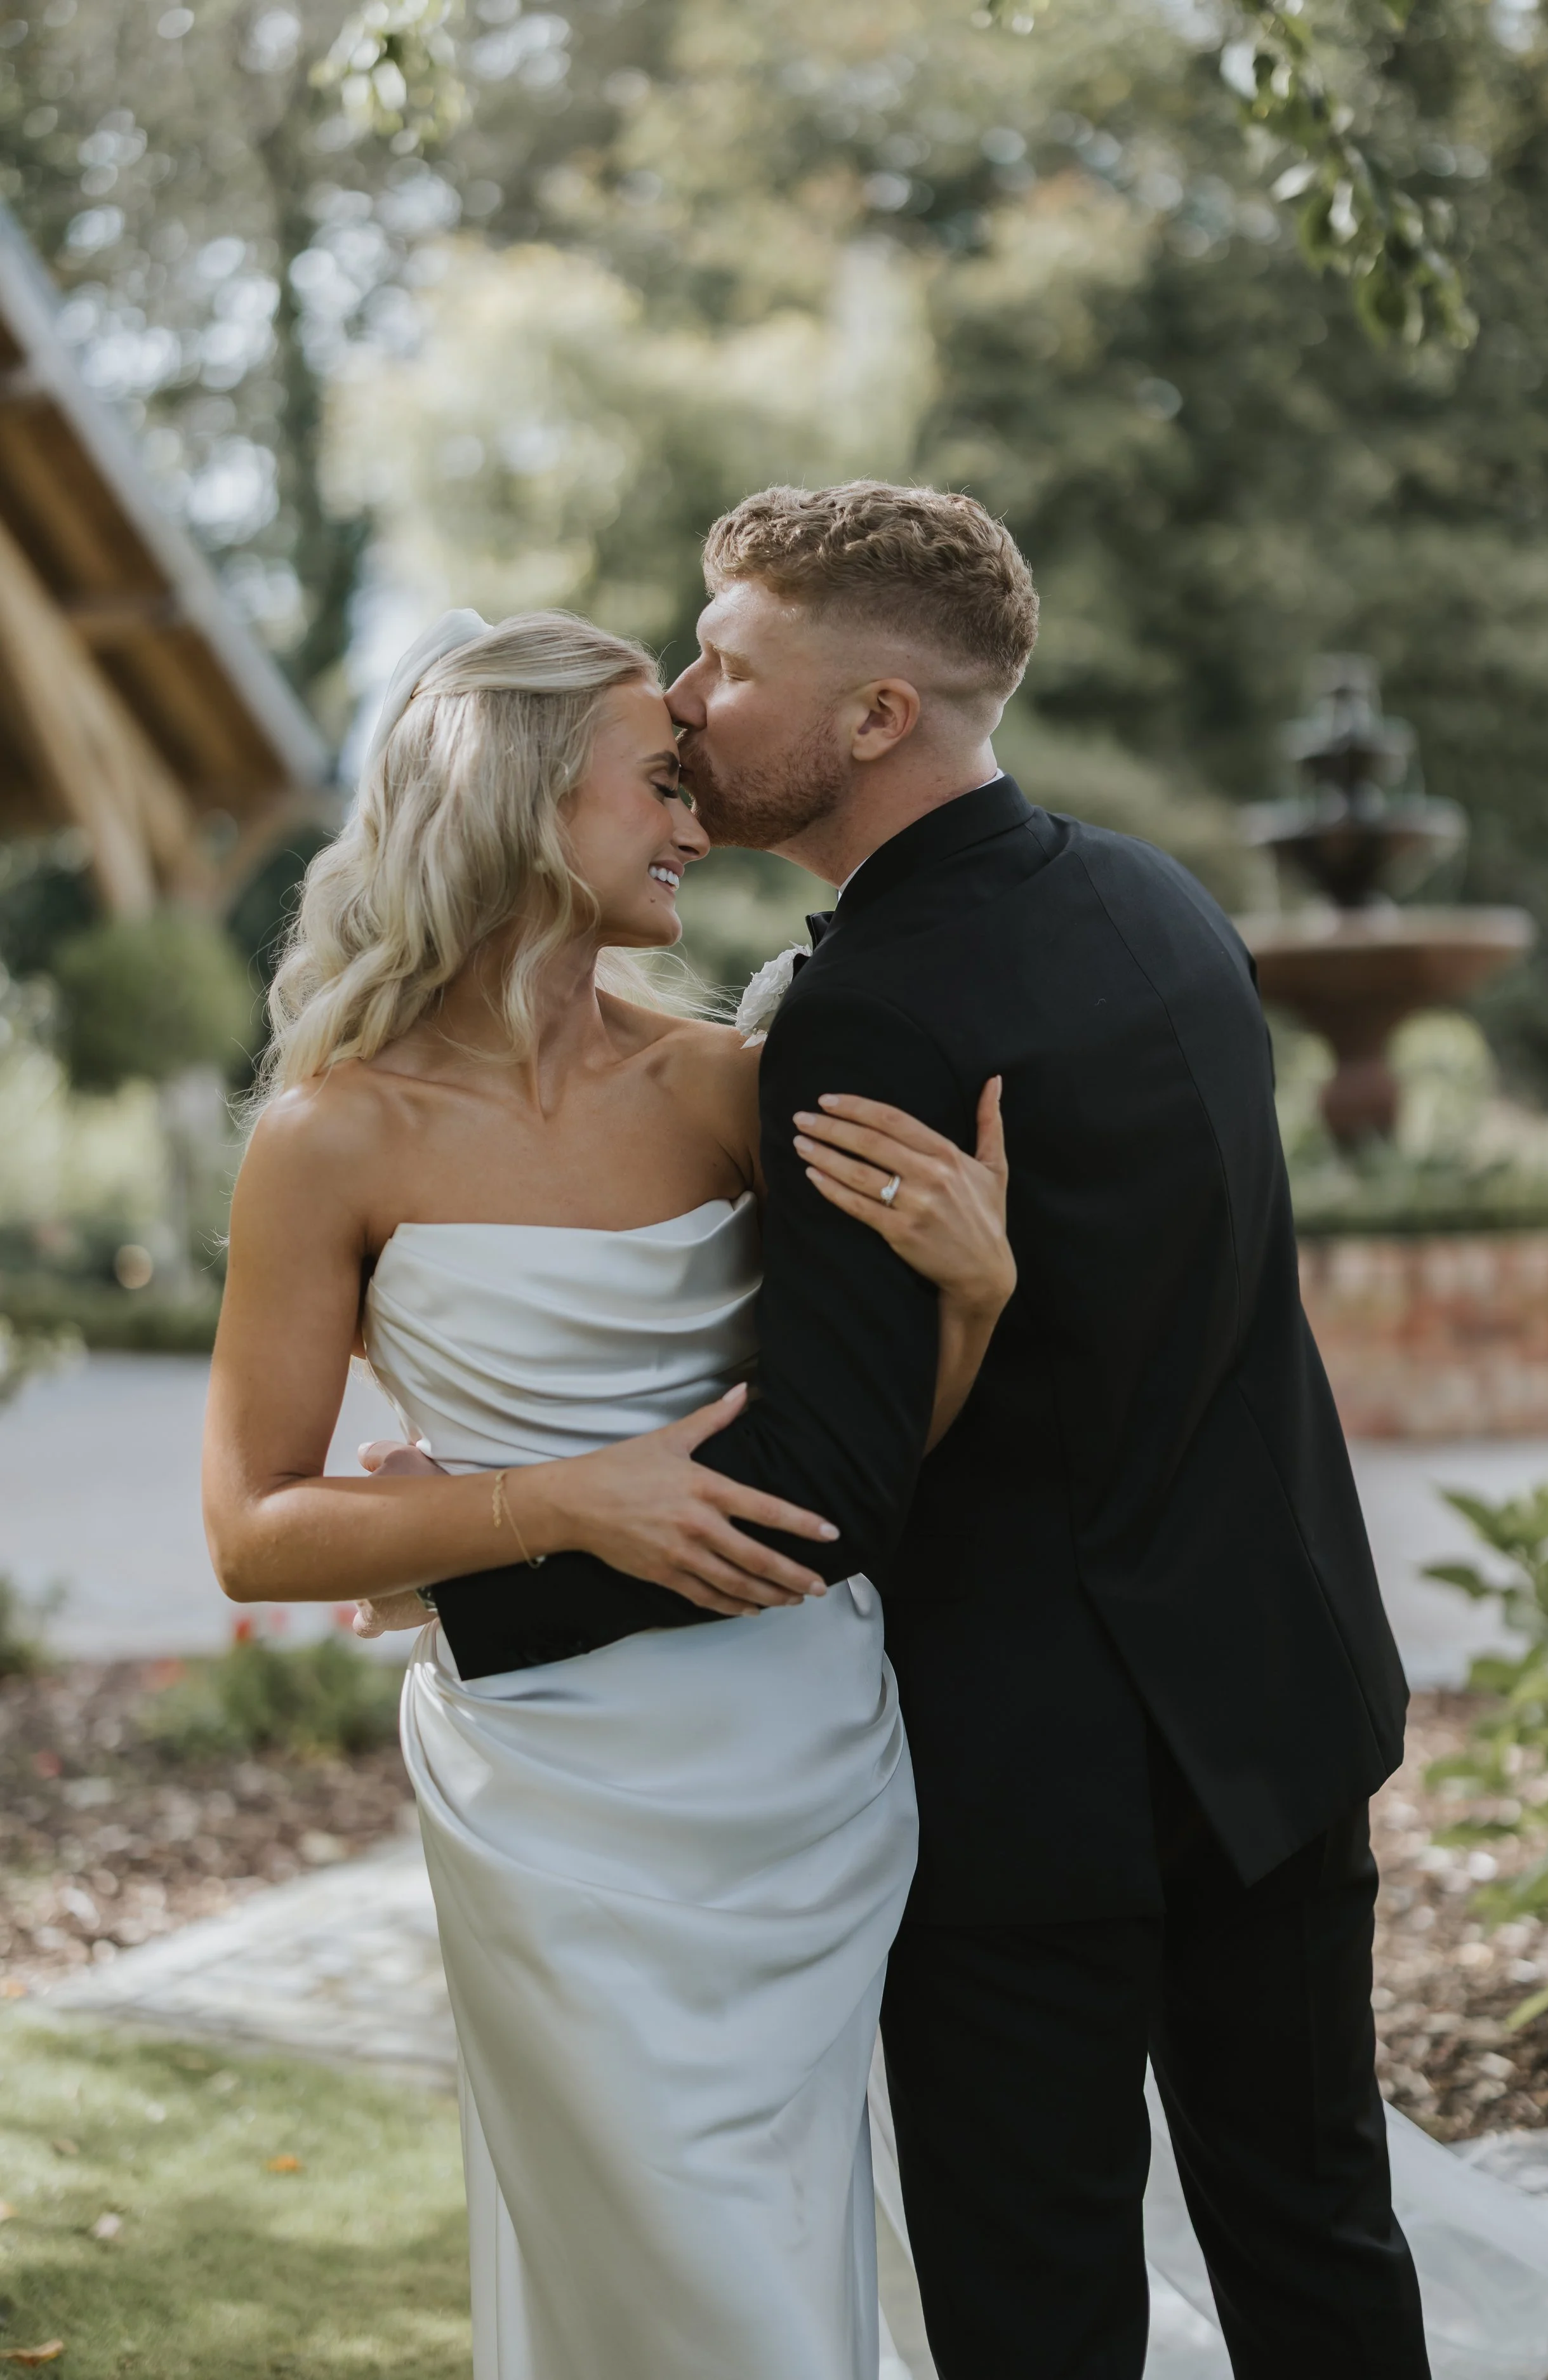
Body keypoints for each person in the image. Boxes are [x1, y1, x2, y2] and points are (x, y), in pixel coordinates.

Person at [432, 482, 1436, 2379]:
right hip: (1281, 1700)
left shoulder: (869, 1012)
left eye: (728, 663)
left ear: (877, 716)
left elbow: (824, 1478)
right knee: (1316, 2238)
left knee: (1034, 2304)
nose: (691, 705)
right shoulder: (1161, 897)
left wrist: (474, 1567)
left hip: (1031, 1774)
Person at [201, 606, 1017, 2380]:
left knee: (783, 2234)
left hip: (800, 1752)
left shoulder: (730, 1086)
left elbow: (869, 1468)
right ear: (510, 804)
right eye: (654, 784)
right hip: (551, 1793)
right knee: (654, 2256)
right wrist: (551, 1504)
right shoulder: (331, 1133)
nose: (695, 821)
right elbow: (254, 1526)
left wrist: (968, 1296)